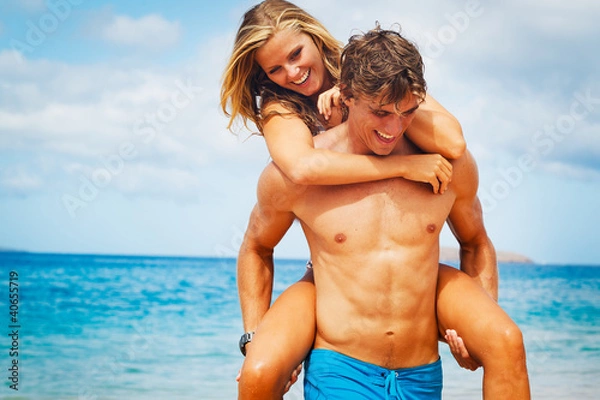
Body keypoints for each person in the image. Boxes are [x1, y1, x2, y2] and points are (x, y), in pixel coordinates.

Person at [220, 1, 530, 398]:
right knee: (259, 372)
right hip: (335, 303)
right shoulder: (283, 119)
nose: (292, 73)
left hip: (419, 329)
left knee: (505, 339)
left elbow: (473, 230)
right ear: (348, 97)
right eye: (276, 68)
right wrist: (253, 336)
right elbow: (297, 173)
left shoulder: (440, 156)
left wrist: (476, 335)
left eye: (296, 54)